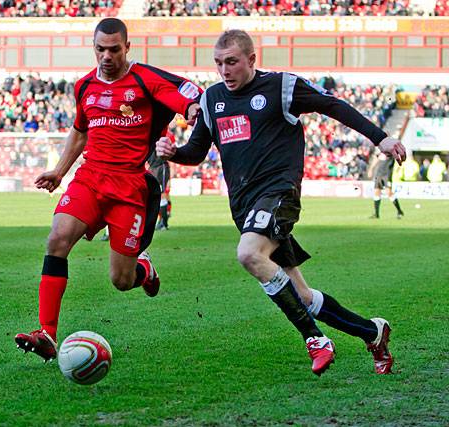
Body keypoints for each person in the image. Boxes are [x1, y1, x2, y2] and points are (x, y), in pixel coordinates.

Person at [156, 29, 404, 376]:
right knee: (301, 296)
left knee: (249, 254)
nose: (224, 70)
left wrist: (382, 138)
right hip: (244, 207)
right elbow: (196, 151)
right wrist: (175, 153)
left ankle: (315, 340)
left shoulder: (281, 87)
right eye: (218, 63)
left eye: (232, 62)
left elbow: (332, 104)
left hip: (278, 193)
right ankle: (372, 332)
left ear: (251, 60)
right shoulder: (212, 100)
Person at [15, 18, 202, 362]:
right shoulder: (85, 85)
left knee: (120, 279)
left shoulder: (145, 80)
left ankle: (144, 271)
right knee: (57, 240)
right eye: (100, 49)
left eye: (114, 49)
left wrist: (190, 110)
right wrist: (59, 171)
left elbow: (182, 95)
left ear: (127, 48)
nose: (106, 56)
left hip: (129, 186)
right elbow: (79, 131)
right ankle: (47, 333)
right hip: (90, 178)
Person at [147, 131, 173, 230]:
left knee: (162, 194)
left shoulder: (161, 135)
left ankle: (164, 223)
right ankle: (159, 221)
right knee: (154, 195)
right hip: (153, 168)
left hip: (160, 167)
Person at [368, 150, 404, 219]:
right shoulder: (381, 148)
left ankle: (399, 211)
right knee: (376, 192)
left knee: (389, 192)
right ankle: (376, 214)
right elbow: (376, 158)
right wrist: (371, 169)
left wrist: (398, 168)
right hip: (379, 173)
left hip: (387, 174)